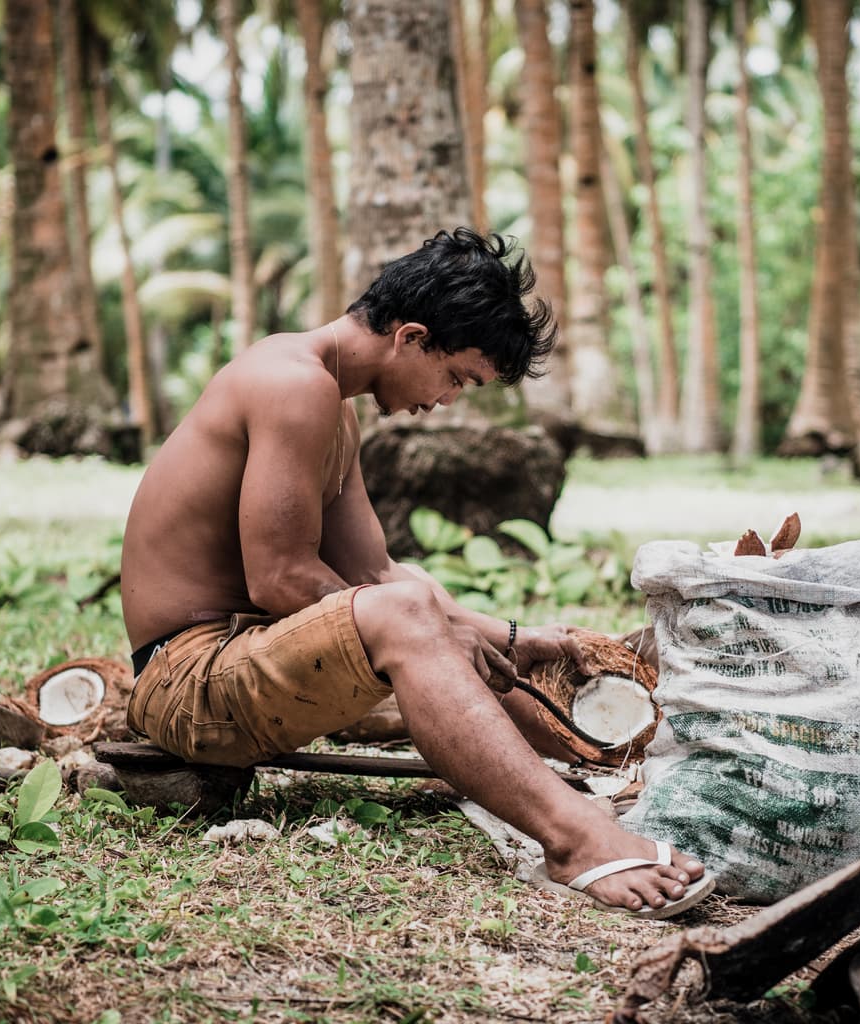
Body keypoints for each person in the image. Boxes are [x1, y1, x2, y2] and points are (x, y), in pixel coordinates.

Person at [120, 228, 711, 917]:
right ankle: (576, 839)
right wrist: (434, 627)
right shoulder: (293, 384)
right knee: (407, 612)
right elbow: (279, 580)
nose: (450, 400)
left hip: (240, 659)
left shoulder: (331, 405)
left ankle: (598, 759)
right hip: (185, 683)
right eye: (457, 376)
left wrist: (516, 636)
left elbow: (374, 570)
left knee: (412, 592)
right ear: (410, 337)